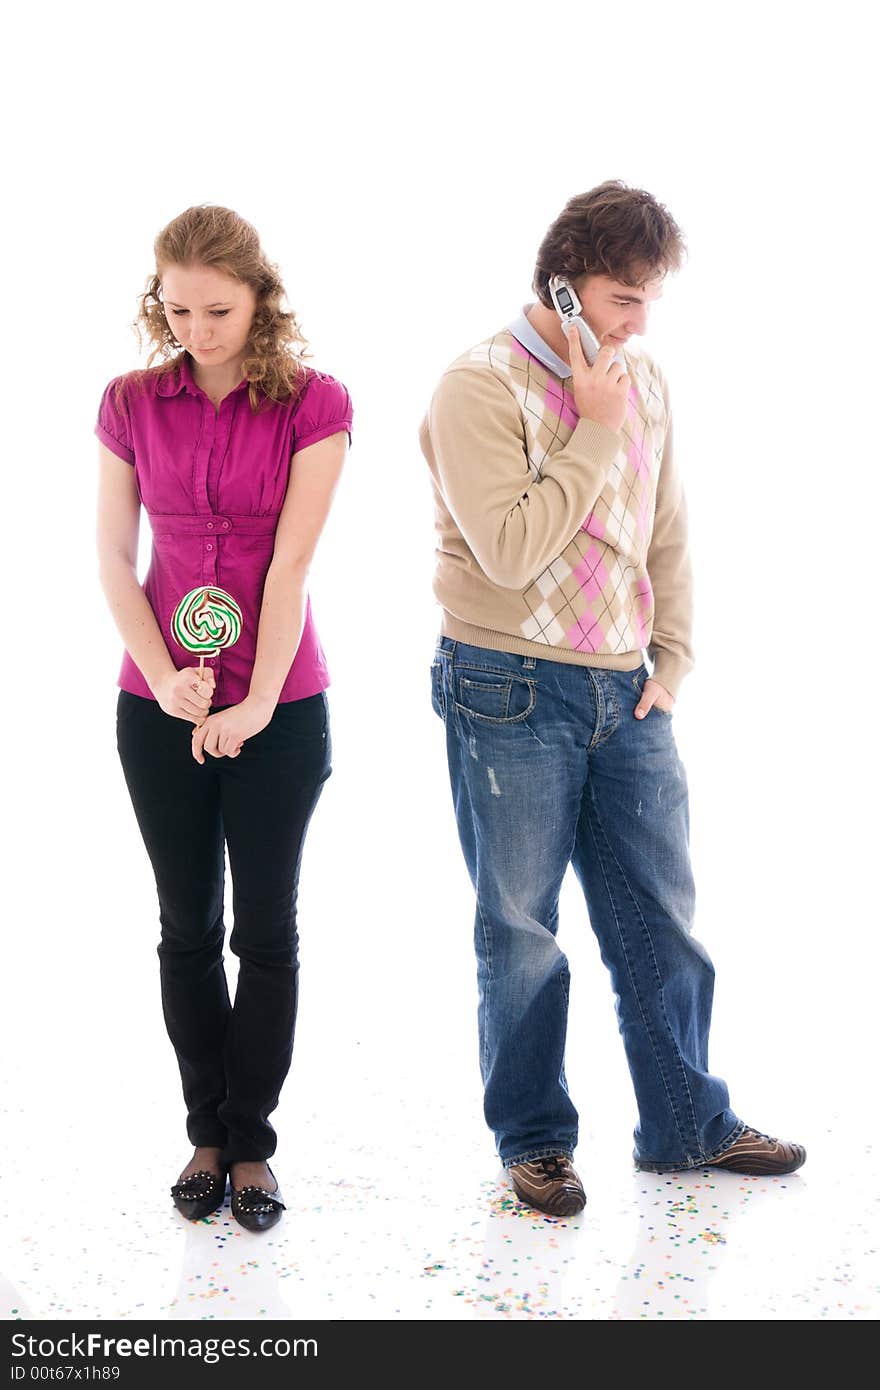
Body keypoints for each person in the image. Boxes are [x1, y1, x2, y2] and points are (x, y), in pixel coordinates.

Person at [420, 181, 804, 1217]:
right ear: (562, 282)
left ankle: (688, 1124)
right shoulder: (477, 384)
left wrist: (671, 658)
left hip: (627, 689)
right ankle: (536, 1143)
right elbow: (508, 551)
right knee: (521, 931)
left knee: (662, 921)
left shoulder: (646, 378)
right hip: (507, 684)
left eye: (649, 301)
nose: (638, 322)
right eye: (623, 298)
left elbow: (663, 525)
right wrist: (589, 427)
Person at [96, 205, 352, 1232]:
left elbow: (290, 565)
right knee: (185, 928)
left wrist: (250, 700)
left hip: (278, 705)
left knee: (267, 931)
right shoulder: (128, 402)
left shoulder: (313, 403)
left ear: (259, 300)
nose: (195, 329)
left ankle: (253, 1145)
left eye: (217, 309)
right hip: (155, 702)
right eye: (177, 308)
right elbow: (114, 559)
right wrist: (164, 678)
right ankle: (204, 1133)